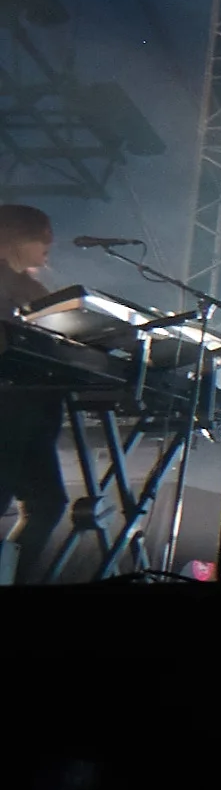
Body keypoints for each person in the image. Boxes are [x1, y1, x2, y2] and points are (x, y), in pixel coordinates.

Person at [0, 203, 65, 586]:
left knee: (47, 503)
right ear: (15, 237)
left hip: (34, 409)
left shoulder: (31, 288)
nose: (49, 246)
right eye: (42, 237)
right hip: (7, 406)